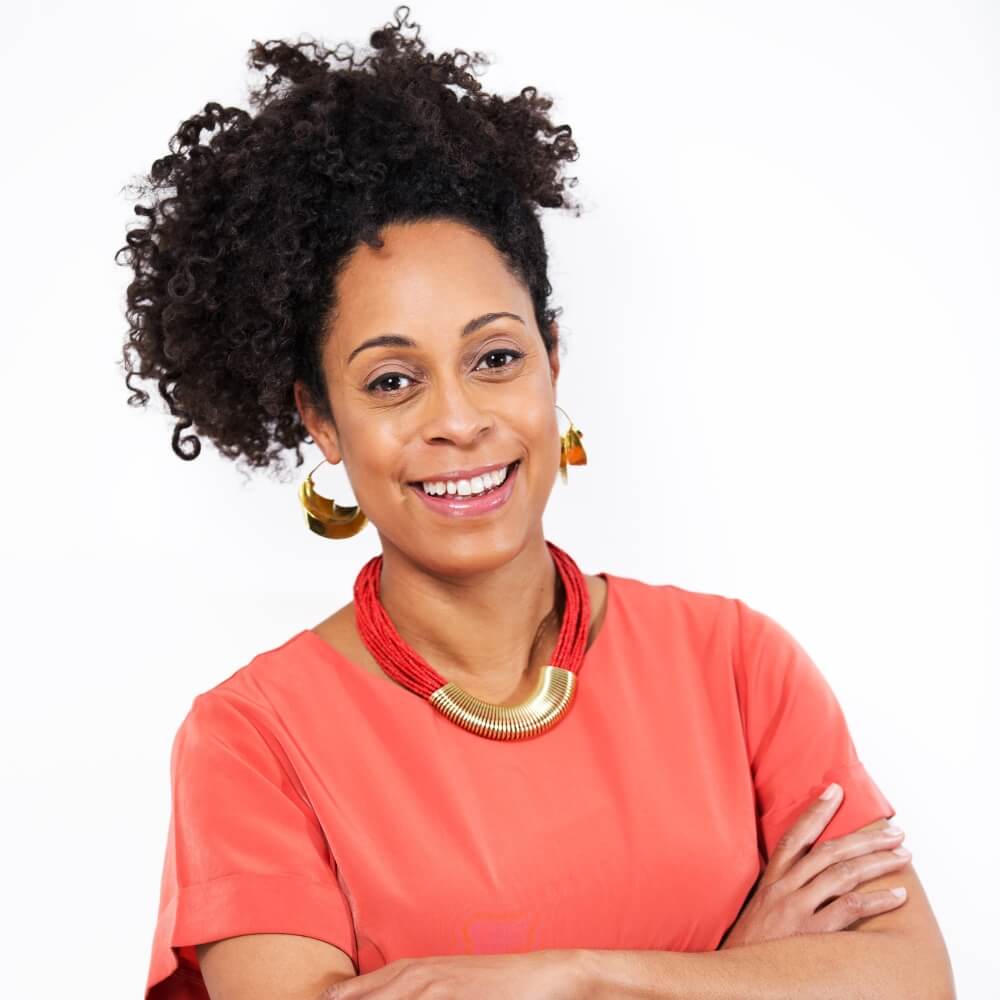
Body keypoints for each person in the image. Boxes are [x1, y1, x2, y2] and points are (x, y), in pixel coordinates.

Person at [120, 7, 954, 999]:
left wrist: (578, 977)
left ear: (552, 361)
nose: (458, 420)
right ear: (321, 419)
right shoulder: (254, 741)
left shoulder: (738, 668)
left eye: (496, 359)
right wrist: (741, 971)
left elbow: (911, 980)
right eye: (392, 381)